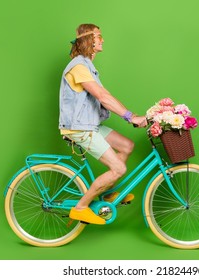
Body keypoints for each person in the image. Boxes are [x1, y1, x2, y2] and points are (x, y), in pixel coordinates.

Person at [59, 24, 147, 225]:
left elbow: (105, 96)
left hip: (89, 124)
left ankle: (107, 193)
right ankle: (81, 208)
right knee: (118, 169)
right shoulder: (79, 67)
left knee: (127, 146)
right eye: (99, 36)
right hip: (78, 127)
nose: (102, 40)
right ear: (89, 40)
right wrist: (130, 117)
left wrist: (132, 115)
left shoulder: (88, 66)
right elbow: (102, 96)